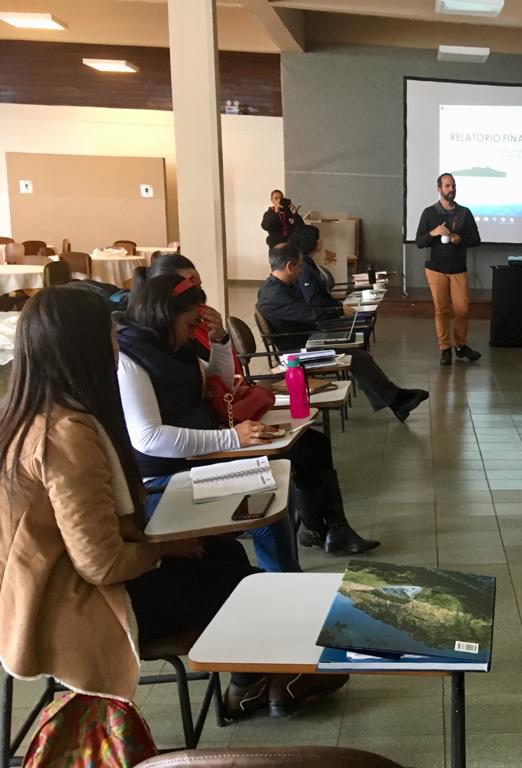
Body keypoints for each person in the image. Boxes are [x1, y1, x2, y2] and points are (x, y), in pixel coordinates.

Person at [0, 287, 268, 715]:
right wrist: (160, 550)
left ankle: (250, 684)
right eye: (109, 336)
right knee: (246, 588)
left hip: (54, 583)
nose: (116, 348)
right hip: (72, 603)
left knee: (227, 552)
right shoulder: (65, 434)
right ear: (84, 348)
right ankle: (264, 682)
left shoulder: (31, 410)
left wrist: (163, 548)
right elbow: (100, 564)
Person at [117, 274, 379, 562]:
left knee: (309, 446)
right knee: (269, 497)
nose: (194, 333)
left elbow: (221, 383)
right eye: (191, 324)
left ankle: (322, 532)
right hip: (169, 473)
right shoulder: (131, 360)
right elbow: (148, 439)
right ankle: (284, 581)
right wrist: (232, 438)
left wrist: (219, 341)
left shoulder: (174, 346)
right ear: (166, 315)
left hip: (202, 452)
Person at [257, 243, 429, 423]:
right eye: (300, 266)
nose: (301, 271)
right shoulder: (274, 294)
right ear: (289, 266)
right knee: (357, 356)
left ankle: (396, 400)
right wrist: (338, 311)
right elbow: (310, 314)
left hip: (308, 338)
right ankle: (397, 400)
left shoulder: (282, 286)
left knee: (356, 348)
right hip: (297, 351)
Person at [414, 172, 482, 366]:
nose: (451, 189)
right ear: (439, 189)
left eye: (453, 186)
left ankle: (460, 346)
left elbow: (476, 240)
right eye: (447, 186)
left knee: (462, 309)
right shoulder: (429, 212)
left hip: (458, 269)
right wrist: (433, 233)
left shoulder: (464, 212)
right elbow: (419, 241)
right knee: (441, 310)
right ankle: (445, 349)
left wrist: (460, 240)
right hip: (436, 269)